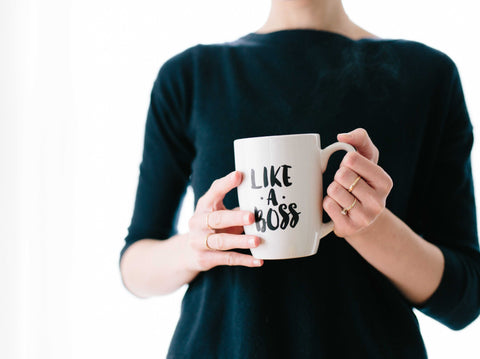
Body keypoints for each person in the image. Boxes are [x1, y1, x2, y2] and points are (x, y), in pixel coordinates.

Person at [119, 0, 480, 357]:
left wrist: (370, 226)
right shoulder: (190, 76)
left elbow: (463, 299)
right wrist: (194, 248)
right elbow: (134, 266)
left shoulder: (427, 76)